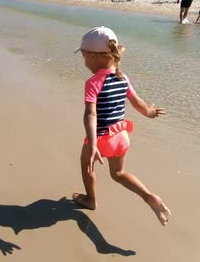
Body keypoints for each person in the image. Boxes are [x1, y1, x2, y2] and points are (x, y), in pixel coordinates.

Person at [73, 26, 172, 226]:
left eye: (84, 57)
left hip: (101, 138)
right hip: (121, 135)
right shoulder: (122, 77)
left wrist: (92, 145)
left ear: (93, 56)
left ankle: (90, 199)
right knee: (118, 174)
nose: (85, 62)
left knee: (86, 164)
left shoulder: (93, 82)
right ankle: (149, 196)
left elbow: (91, 113)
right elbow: (138, 102)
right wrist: (150, 113)